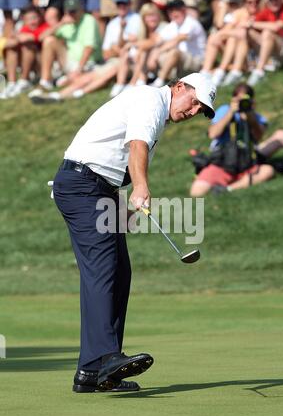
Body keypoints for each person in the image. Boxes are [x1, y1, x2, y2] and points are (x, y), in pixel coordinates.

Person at [52, 73, 217, 393]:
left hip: (98, 190)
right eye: (194, 102)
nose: (194, 111)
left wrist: (124, 204)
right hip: (83, 186)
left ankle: (91, 371)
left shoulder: (155, 112)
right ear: (179, 87)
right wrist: (141, 187)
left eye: (201, 110)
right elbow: (136, 146)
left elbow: (123, 161)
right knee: (104, 271)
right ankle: (107, 357)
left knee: (118, 272)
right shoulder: (150, 100)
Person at [190, 83, 274, 197]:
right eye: (239, 100)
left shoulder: (256, 117)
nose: (242, 103)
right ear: (233, 99)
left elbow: (258, 137)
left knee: (268, 171)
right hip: (222, 162)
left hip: (246, 162)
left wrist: (250, 118)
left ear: (252, 101)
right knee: (196, 192)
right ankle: (232, 183)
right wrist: (231, 113)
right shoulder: (225, 110)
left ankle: (228, 188)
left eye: (245, 100)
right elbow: (213, 134)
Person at [36, 0, 102, 91]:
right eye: (69, 12)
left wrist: (78, 70)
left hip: (88, 63)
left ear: (81, 9)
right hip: (71, 62)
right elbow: (41, 37)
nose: (72, 14)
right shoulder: (67, 23)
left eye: (74, 11)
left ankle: (68, 80)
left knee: (77, 80)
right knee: (49, 40)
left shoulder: (89, 20)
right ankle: (45, 81)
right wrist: (61, 23)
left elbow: (89, 48)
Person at [201, 0, 262, 87]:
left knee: (231, 38)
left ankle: (222, 71)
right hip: (239, 53)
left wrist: (220, 34)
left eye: (256, 2)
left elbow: (239, 32)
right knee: (214, 38)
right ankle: (206, 72)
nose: (253, 4)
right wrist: (224, 6)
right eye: (249, 2)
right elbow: (219, 24)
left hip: (251, 57)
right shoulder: (238, 12)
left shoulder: (246, 12)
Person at [149, 0, 207, 87]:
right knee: (148, 52)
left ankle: (159, 81)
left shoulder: (191, 23)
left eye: (176, 10)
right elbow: (157, 41)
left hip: (196, 61)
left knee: (174, 52)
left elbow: (178, 39)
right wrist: (153, 51)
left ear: (184, 10)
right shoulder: (173, 25)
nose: (173, 13)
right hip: (180, 62)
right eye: (170, 11)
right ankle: (141, 79)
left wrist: (158, 51)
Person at [0, 6, 50, 99]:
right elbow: (16, 39)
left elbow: (35, 37)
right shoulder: (25, 29)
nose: (32, 22)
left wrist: (19, 36)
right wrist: (17, 37)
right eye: (28, 19)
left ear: (40, 17)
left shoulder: (45, 26)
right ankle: (12, 83)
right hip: (30, 63)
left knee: (27, 46)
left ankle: (24, 81)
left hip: (41, 63)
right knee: (12, 49)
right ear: (24, 20)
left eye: (34, 18)